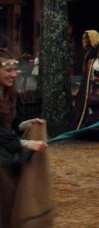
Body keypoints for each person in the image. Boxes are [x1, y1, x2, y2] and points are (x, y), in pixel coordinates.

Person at [0, 49, 54, 227]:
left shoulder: (8, 94)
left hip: (8, 157)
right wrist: (27, 143)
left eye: (15, 70)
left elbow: (10, 124)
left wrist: (28, 125)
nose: (13, 75)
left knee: (11, 202)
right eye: (8, 70)